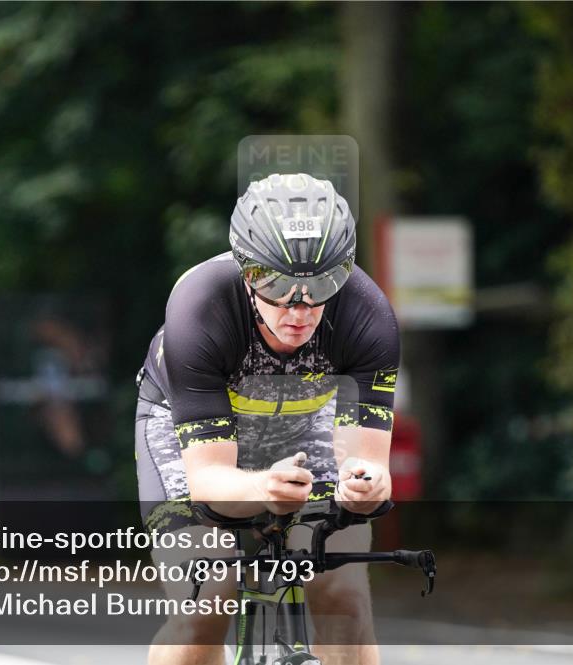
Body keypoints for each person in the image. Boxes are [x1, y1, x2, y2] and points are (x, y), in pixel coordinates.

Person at [135, 173, 400, 665]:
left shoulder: (369, 317)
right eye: (274, 283)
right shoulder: (200, 306)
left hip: (305, 424)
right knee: (206, 603)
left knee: (345, 600)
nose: (298, 308)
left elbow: (370, 468)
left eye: (321, 285)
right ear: (244, 270)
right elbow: (209, 479)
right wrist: (263, 490)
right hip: (193, 437)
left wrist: (366, 487)